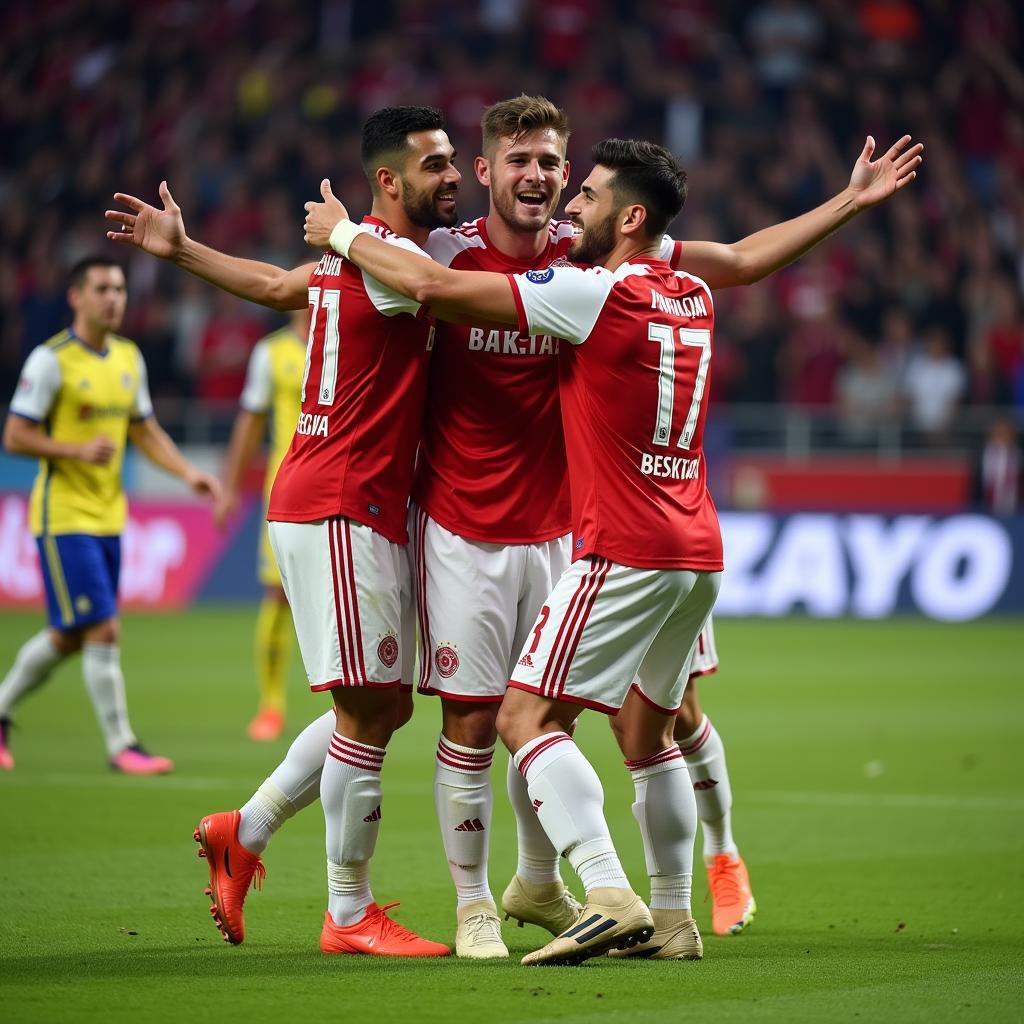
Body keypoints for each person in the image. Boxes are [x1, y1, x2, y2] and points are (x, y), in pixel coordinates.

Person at [307, 125, 923, 965]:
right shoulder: (688, 291)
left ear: (628, 218)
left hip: (617, 544)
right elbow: (741, 258)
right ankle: (672, 919)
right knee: (647, 734)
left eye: (585, 190)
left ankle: (605, 888)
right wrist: (851, 201)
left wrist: (342, 233)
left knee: (523, 717)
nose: (569, 199)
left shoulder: (589, 290)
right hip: (696, 547)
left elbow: (427, 286)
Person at [107, 106, 459, 958]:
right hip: (341, 499)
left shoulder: (357, 252)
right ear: (389, 179)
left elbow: (273, 284)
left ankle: (246, 830)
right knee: (367, 707)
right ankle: (347, 912)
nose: (454, 175)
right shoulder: (391, 259)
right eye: (438, 164)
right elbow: (433, 289)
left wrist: (186, 250)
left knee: (377, 704)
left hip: (355, 503)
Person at [0, 256, 220, 773]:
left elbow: (144, 431)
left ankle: (2, 709)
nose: (113, 298)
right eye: (102, 288)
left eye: (119, 288)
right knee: (103, 628)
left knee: (70, 634)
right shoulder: (50, 360)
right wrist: (74, 452)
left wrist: (187, 474)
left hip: (108, 517)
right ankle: (122, 744)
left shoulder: (127, 357)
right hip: (64, 517)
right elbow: (14, 435)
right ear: (76, 297)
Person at [213, 308, 308, 741]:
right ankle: (271, 705)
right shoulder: (271, 353)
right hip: (285, 491)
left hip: (343, 487)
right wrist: (230, 487)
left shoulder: (345, 335)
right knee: (278, 595)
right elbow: (250, 421)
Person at [673, 621, 757, 937]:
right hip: (573, 573)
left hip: (659, 573)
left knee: (678, 712)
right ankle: (541, 879)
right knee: (535, 709)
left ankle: (722, 855)